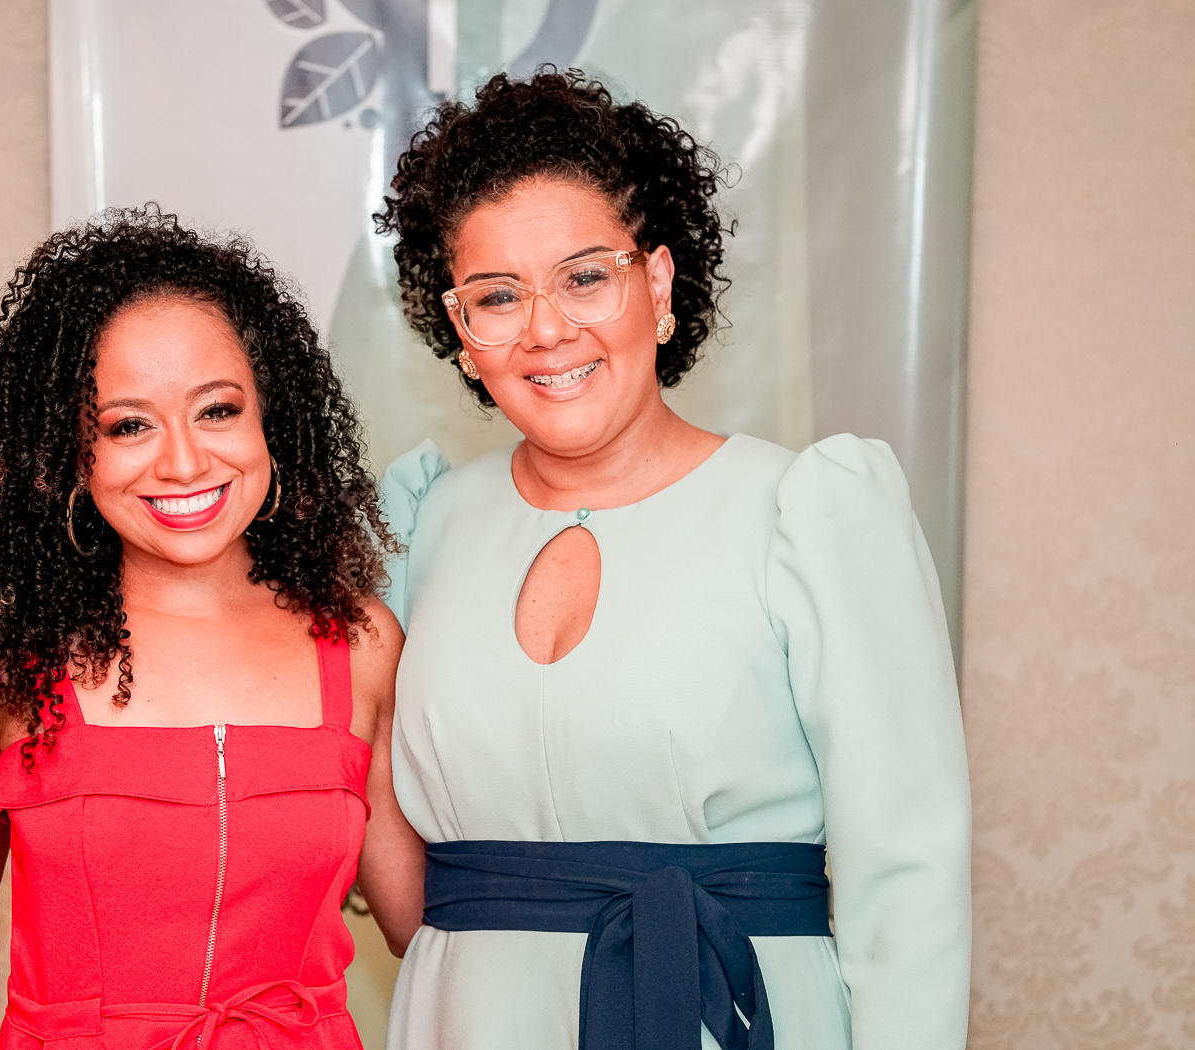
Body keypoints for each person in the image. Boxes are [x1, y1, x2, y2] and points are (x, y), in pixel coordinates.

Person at [374, 70, 971, 1050]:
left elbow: (910, 876)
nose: (546, 329)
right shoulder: (425, 520)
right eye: (498, 296)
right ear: (461, 331)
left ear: (656, 282)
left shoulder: (808, 513)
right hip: (466, 1022)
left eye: (584, 276)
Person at [0, 206, 423, 1050]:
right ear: (67, 453)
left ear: (273, 419)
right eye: (128, 425)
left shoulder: (361, 641)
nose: (183, 462)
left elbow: (425, 926)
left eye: (217, 410)